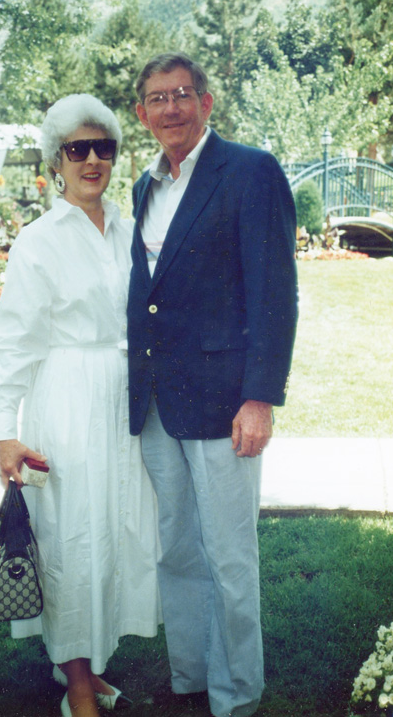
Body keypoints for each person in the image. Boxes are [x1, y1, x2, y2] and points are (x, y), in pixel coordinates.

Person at [127, 52, 298, 717]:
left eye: (181, 95)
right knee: (177, 548)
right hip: (159, 403)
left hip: (228, 401)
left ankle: (236, 696)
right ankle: (191, 678)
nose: (169, 108)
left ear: (207, 102)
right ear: (141, 114)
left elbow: (274, 292)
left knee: (229, 555)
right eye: (156, 99)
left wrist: (261, 397)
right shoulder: (148, 185)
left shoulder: (250, 171)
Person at [0, 93, 160, 717]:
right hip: (65, 400)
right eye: (78, 149)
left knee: (113, 533)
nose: (92, 160)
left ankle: (95, 662)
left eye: (104, 148)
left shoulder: (128, 226)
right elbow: (12, 345)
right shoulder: (38, 241)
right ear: (57, 160)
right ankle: (78, 680)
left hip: (124, 402)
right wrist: (5, 433)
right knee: (69, 540)